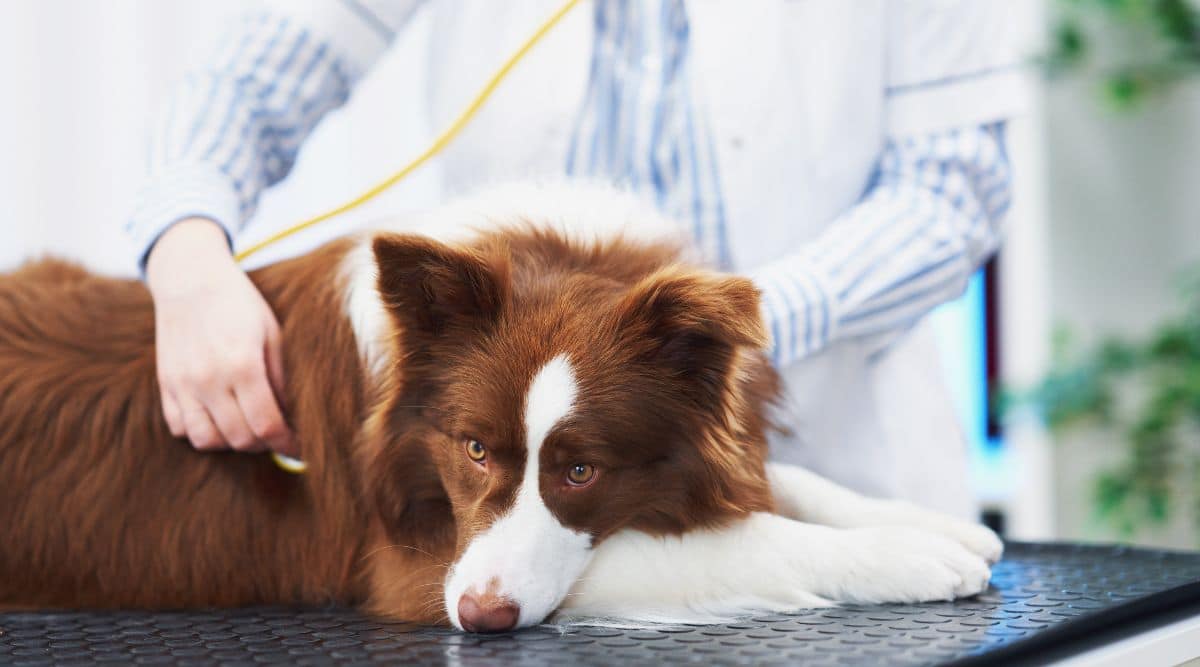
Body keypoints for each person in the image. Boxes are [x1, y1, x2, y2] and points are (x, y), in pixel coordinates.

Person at [130, 0, 1026, 517]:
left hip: (838, 465)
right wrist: (187, 257)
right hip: (533, 511)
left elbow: (951, 188)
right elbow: (247, 83)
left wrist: (713, 339)